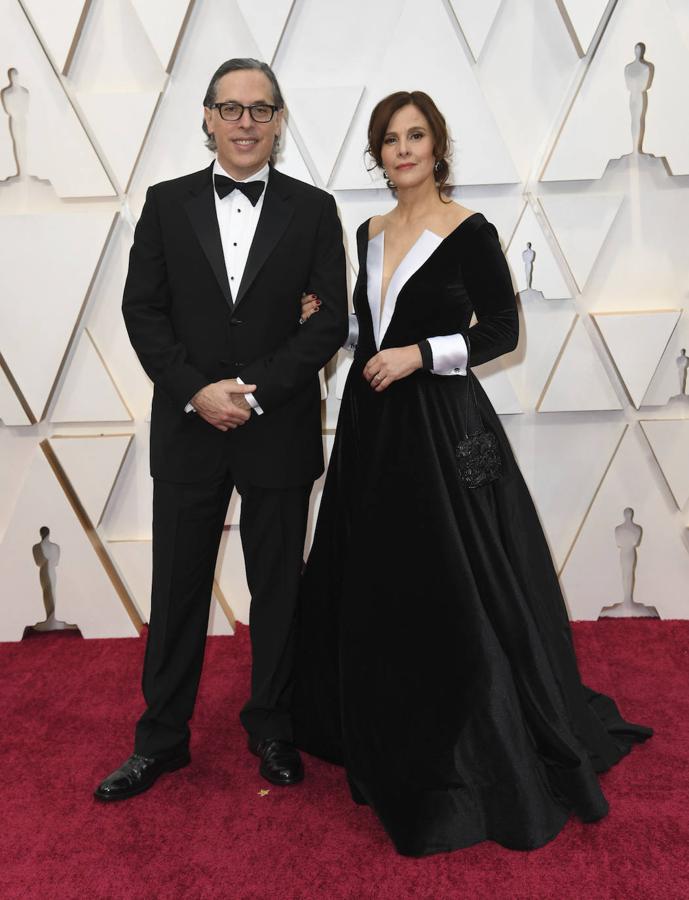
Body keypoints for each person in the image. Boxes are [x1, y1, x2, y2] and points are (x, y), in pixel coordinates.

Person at [292, 90, 652, 856]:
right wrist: (331, 321)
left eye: (415, 135)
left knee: (460, 578)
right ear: (377, 152)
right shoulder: (369, 231)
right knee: (378, 573)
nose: (402, 150)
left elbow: (499, 331)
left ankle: (467, 734)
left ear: (437, 146)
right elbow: (375, 324)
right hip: (372, 427)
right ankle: (384, 717)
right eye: (389, 139)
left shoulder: (470, 230)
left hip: (442, 427)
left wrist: (420, 355)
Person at [94, 58, 347, 802]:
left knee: (276, 591)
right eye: (230, 108)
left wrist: (255, 392)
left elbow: (327, 320)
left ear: (277, 121)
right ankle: (161, 740)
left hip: (278, 428)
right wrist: (196, 391)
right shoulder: (165, 204)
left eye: (260, 109)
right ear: (206, 117)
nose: (245, 122)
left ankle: (271, 727)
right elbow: (143, 311)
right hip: (188, 426)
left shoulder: (313, 208)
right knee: (174, 591)